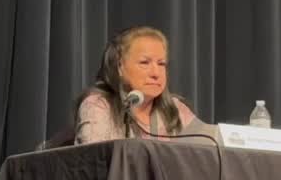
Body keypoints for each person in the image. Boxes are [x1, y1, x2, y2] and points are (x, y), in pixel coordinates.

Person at [73, 25, 208, 144]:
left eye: (161, 64)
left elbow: (211, 144)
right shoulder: (98, 106)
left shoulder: (175, 109)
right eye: (144, 63)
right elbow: (95, 163)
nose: (156, 73)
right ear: (119, 67)